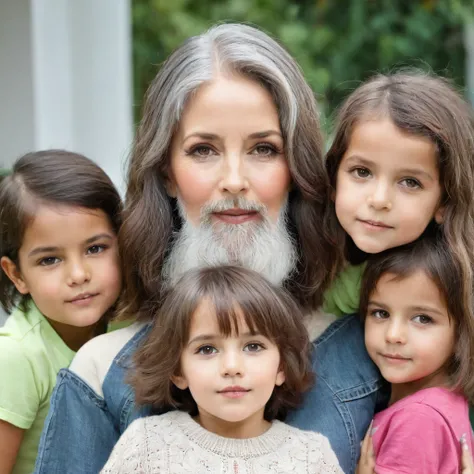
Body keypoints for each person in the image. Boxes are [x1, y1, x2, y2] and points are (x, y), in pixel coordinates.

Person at [35, 23, 380, 474]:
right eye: (203, 150)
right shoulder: (102, 372)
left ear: (296, 168)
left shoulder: (374, 351)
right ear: (166, 172)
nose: (235, 180)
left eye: (263, 149)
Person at [101, 265, 344, 473]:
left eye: (253, 346)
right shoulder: (146, 445)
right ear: (177, 371)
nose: (232, 367)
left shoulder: (312, 457)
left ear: (281, 366)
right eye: (207, 349)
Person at [0, 150, 123, 473]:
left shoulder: (134, 324)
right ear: (16, 274)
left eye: (95, 248)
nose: (79, 275)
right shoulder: (16, 357)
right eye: (50, 259)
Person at [323, 71, 474, 317]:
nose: (380, 200)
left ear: (444, 203)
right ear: (333, 179)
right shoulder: (301, 256)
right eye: (362, 172)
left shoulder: (452, 288)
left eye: (410, 182)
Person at [355, 236, 474, 473]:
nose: (393, 335)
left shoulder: (419, 419)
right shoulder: (445, 400)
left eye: (422, 318)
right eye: (380, 313)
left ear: (461, 331)